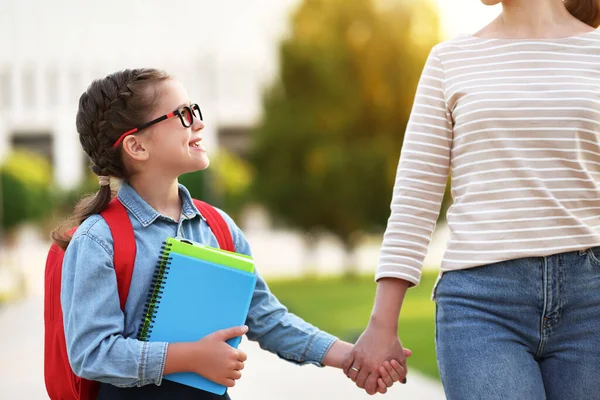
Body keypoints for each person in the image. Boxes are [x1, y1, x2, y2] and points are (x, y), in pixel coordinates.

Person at [53, 69, 406, 399]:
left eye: (195, 109)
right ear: (137, 147)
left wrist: (351, 356)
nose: (200, 123)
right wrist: (189, 358)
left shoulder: (218, 227)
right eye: (184, 116)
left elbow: (267, 318)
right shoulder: (98, 240)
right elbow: (92, 353)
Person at [342, 1, 600, 399]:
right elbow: (415, 196)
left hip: (592, 303)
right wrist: (382, 324)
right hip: (482, 308)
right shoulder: (451, 59)